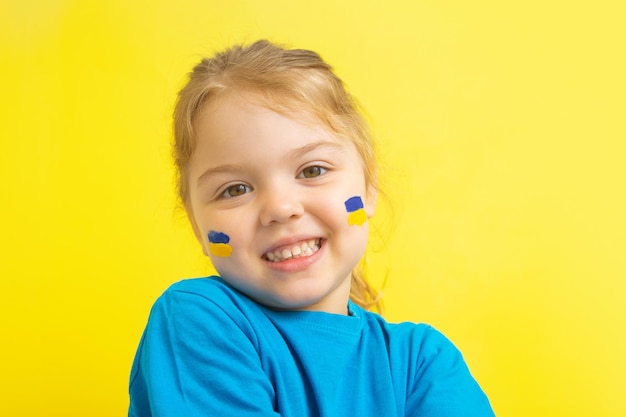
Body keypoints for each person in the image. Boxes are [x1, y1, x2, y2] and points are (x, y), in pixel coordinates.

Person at [128, 39, 495, 416]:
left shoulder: (423, 362)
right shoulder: (198, 319)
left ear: (368, 186)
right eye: (235, 189)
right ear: (197, 225)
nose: (281, 208)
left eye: (313, 170)